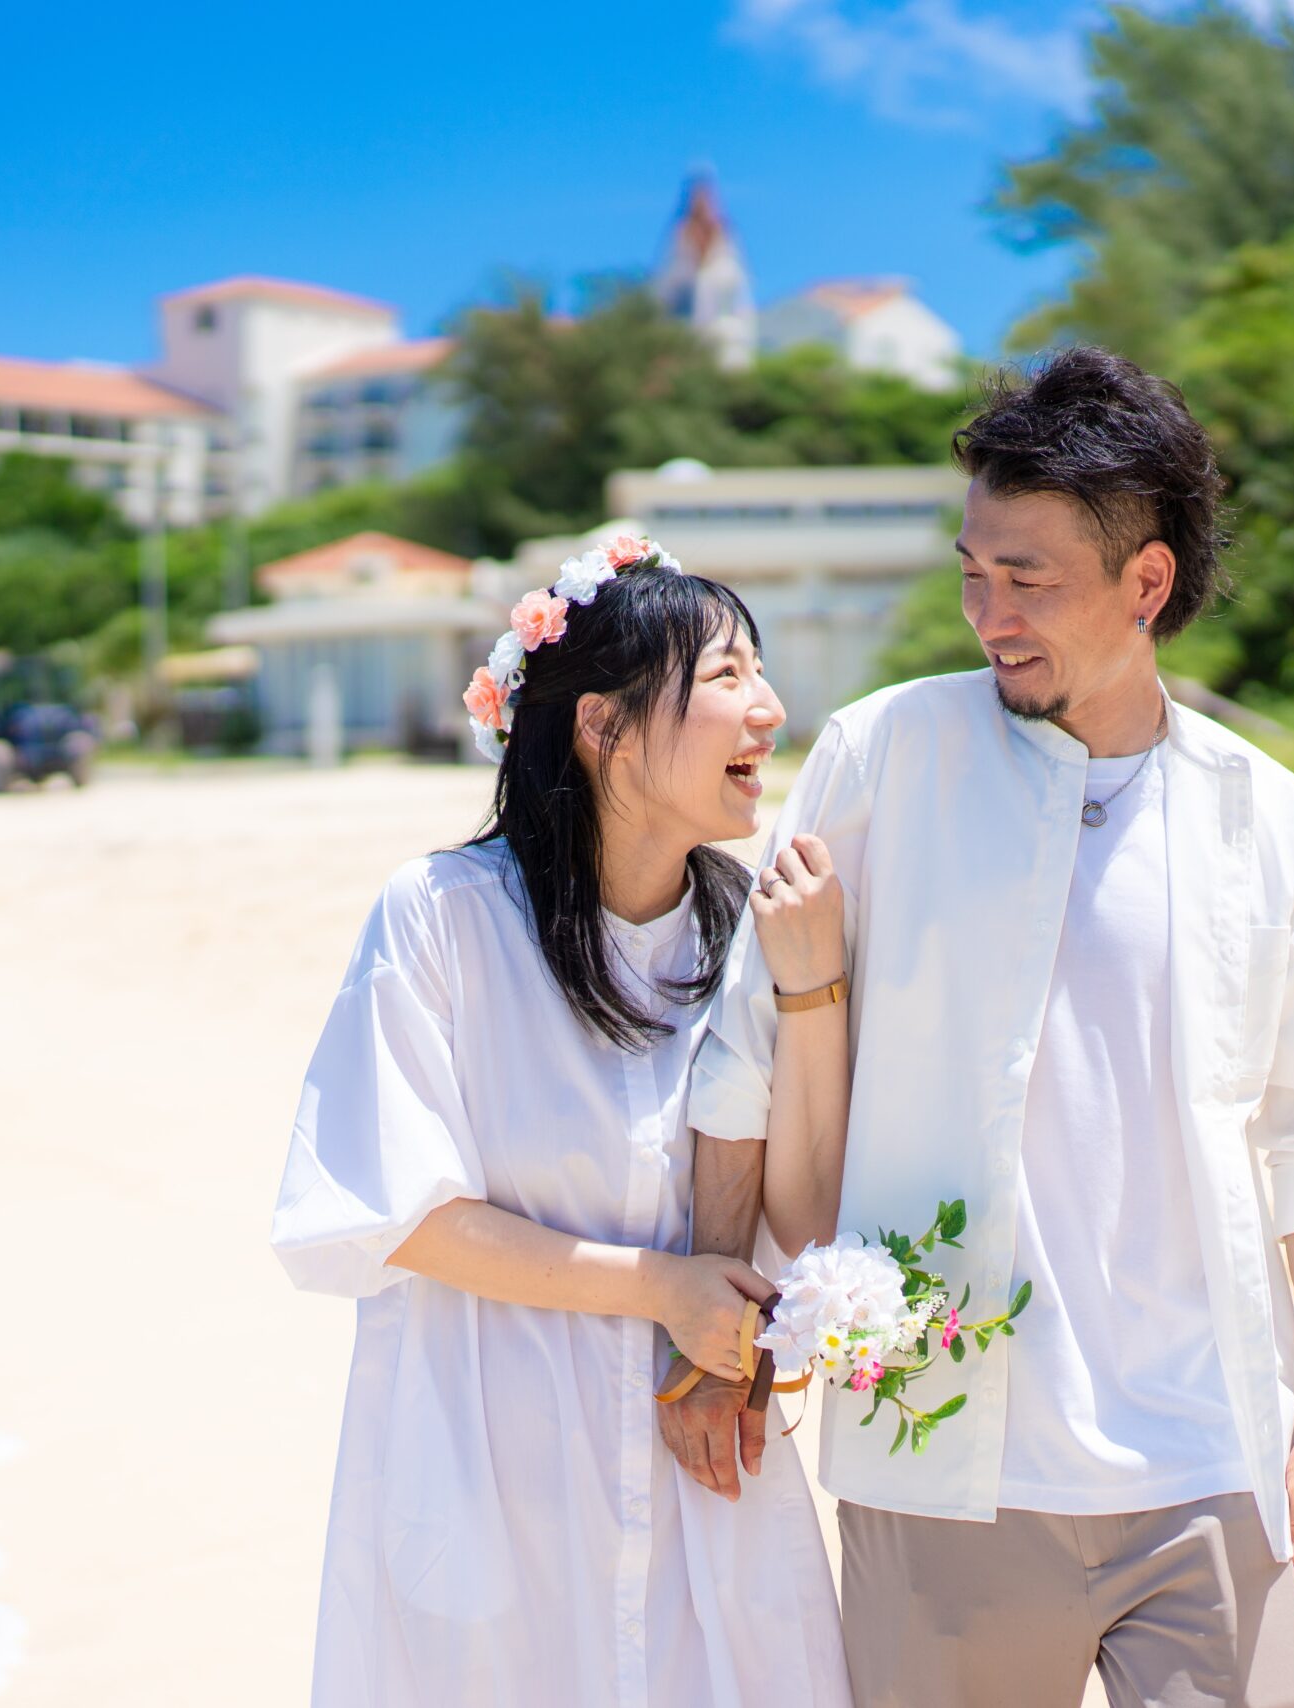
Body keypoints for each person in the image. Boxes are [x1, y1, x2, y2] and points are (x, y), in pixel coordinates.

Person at [665, 348, 1294, 1708]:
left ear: (1148, 584)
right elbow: (746, 1061)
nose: (988, 614)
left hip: (1207, 1462)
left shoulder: (1270, 818)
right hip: (944, 1460)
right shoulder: (887, 754)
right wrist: (713, 1339)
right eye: (972, 570)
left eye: (1030, 580)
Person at [270, 538, 853, 1708]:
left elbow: (808, 1211)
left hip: (704, 1458)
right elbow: (403, 1216)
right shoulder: (445, 920)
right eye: (728, 674)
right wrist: (661, 1288)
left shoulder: (752, 933)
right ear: (603, 725)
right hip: (492, 1456)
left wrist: (813, 991)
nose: (771, 710)